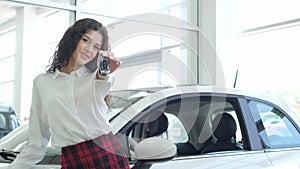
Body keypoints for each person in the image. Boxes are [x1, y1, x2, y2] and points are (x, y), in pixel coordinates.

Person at [8, 18, 130, 169]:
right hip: (71, 159)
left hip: (108, 155)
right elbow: (36, 143)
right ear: (72, 39)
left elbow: (103, 81)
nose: (89, 49)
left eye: (96, 47)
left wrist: (105, 72)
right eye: (85, 40)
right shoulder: (42, 83)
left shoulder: (95, 79)